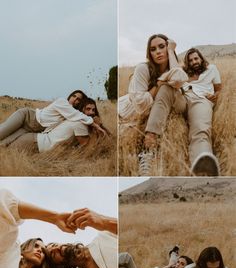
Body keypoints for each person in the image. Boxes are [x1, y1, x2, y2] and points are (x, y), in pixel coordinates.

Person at [118, 33, 188, 175]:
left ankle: (148, 149)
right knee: (164, 87)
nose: (158, 52)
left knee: (167, 87)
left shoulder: (174, 66)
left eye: (162, 47)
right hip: (137, 108)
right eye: (153, 49)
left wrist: (171, 50)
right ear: (149, 53)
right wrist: (157, 85)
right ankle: (148, 152)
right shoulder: (143, 68)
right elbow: (139, 103)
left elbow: (179, 79)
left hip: (174, 101)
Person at [0, 90, 104, 150]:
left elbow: (78, 116)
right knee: (2, 131)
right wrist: (95, 124)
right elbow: (78, 115)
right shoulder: (62, 102)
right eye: (74, 96)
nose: (75, 99)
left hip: (33, 130)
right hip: (27, 117)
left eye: (78, 99)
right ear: (70, 96)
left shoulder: (72, 114)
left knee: (7, 141)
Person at [182, 48, 222, 176]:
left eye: (196, 58)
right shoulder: (183, 73)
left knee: (200, 128)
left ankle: (203, 164)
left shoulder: (212, 69)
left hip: (201, 100)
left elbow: (218, 89)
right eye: (190, 60)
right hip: (182, 97)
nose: (194, 62)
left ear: (201, 58)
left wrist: (215, 95)